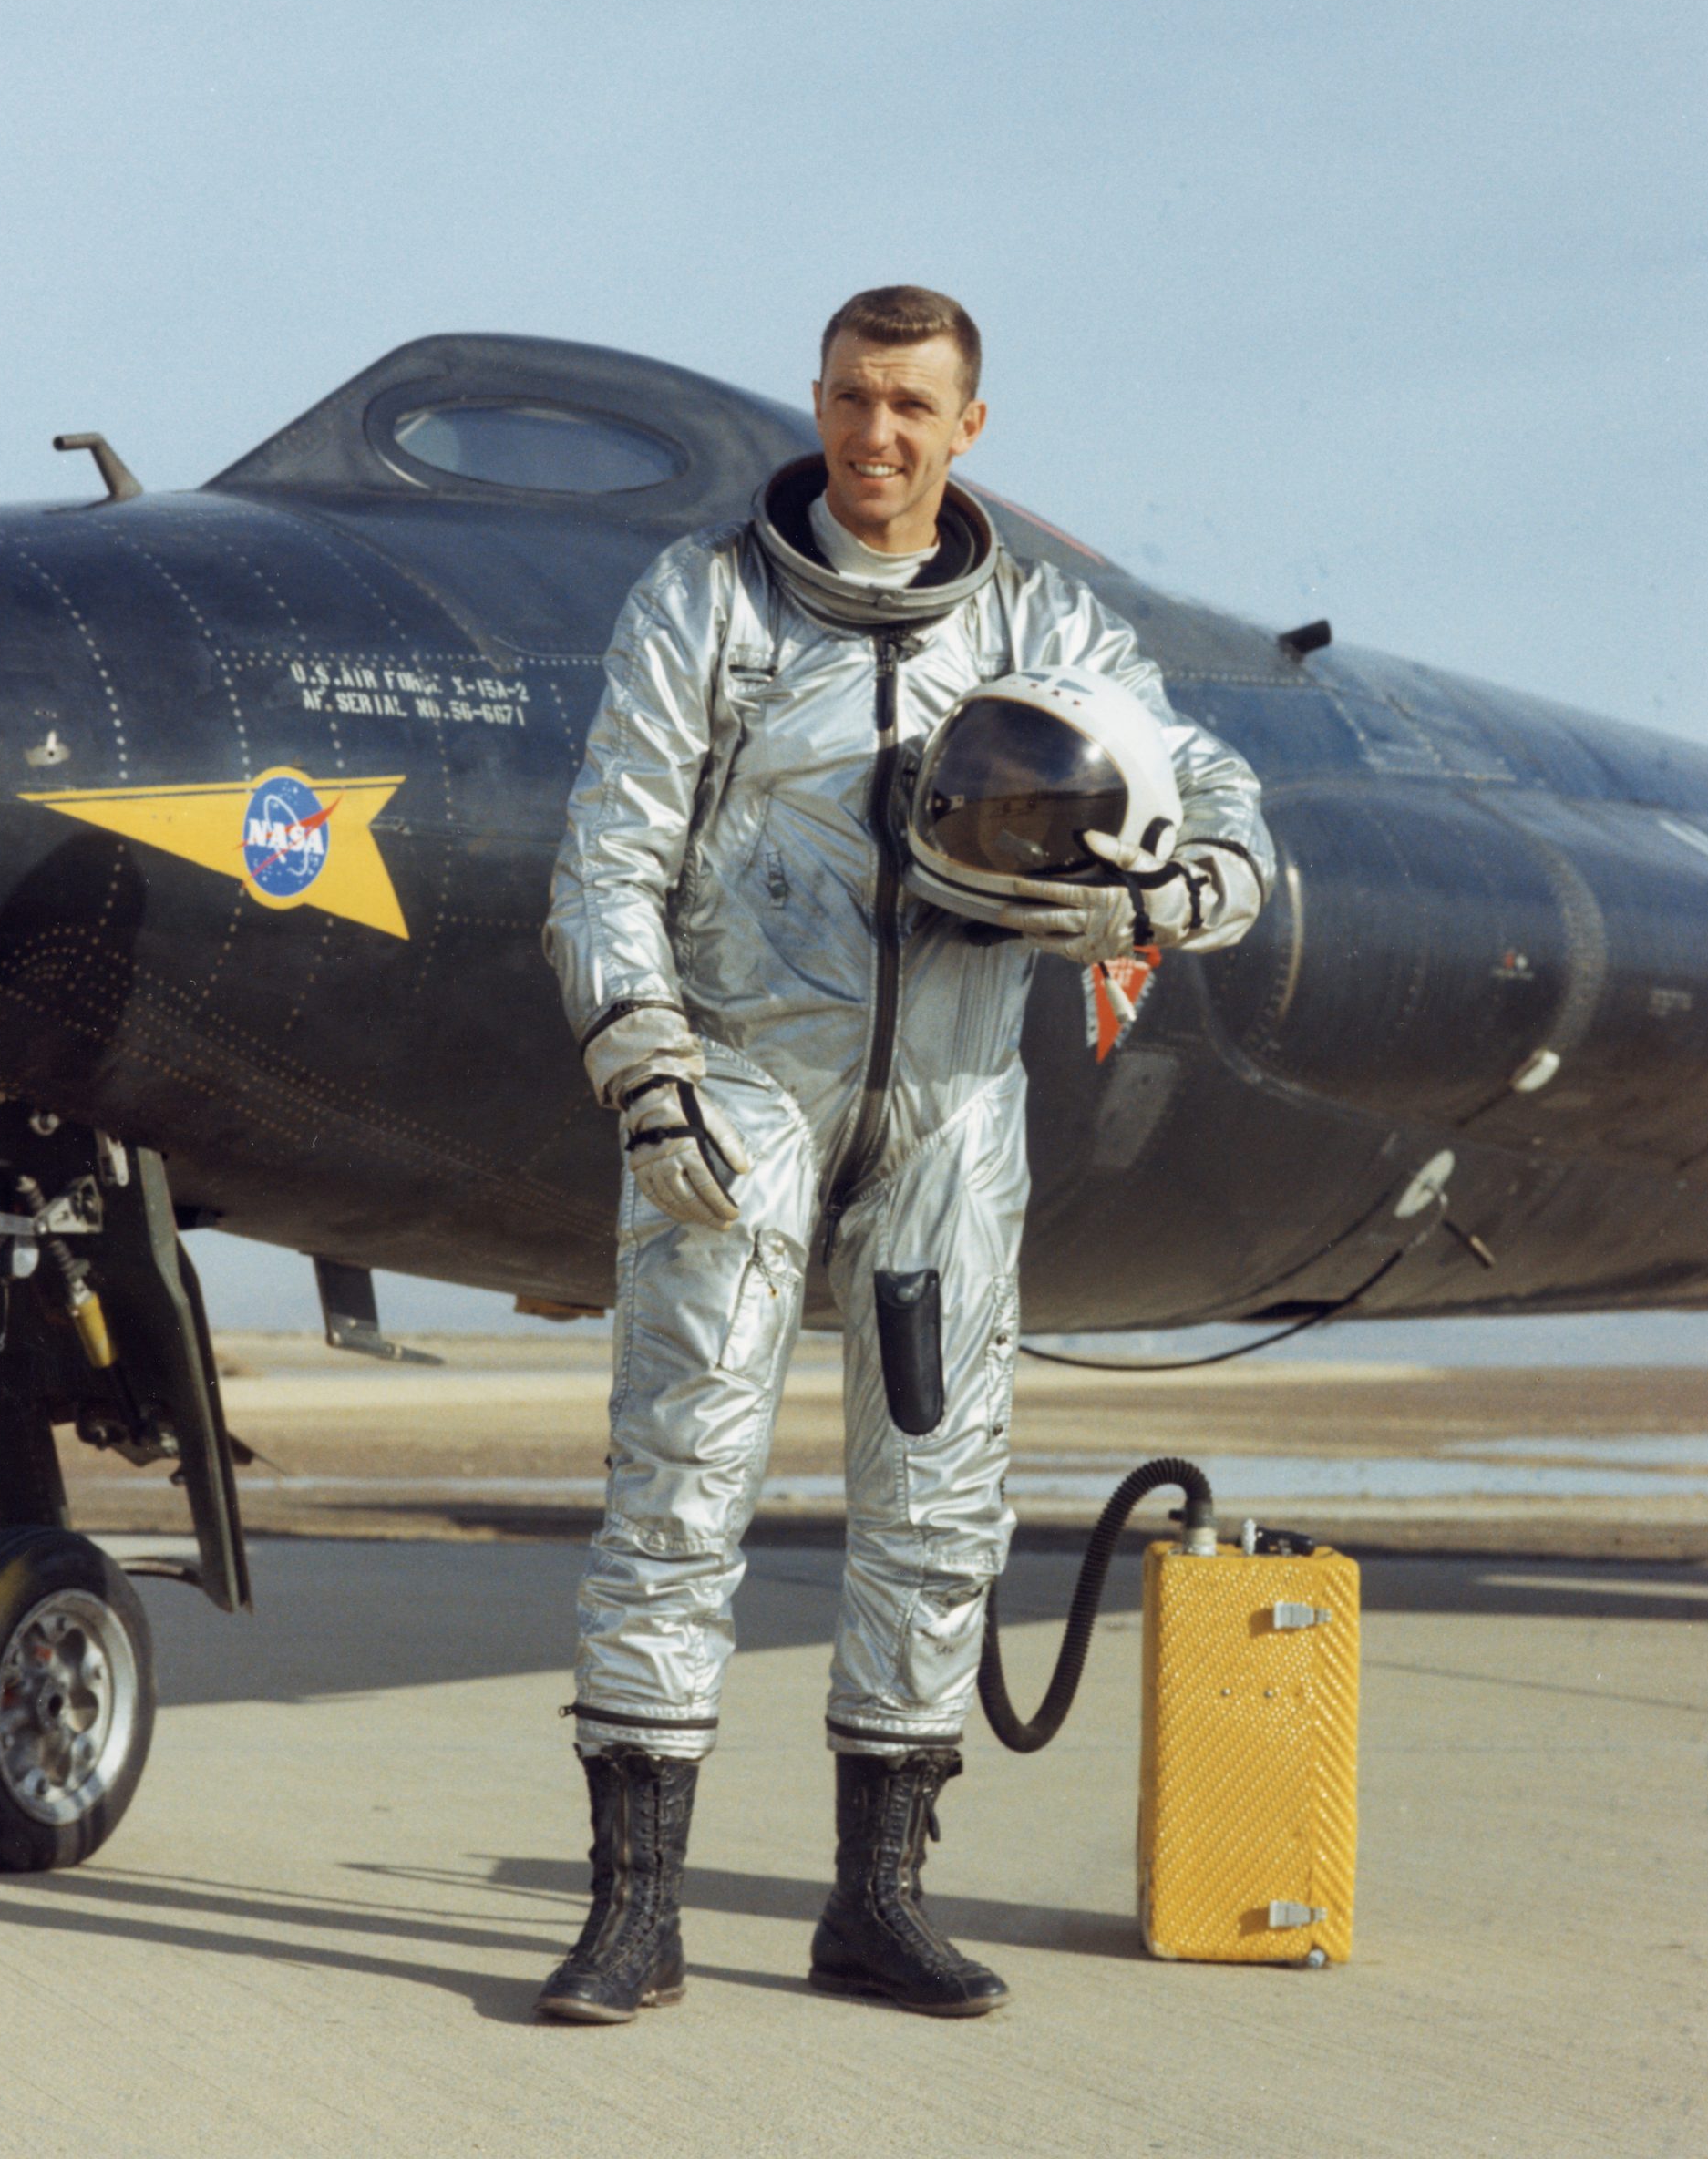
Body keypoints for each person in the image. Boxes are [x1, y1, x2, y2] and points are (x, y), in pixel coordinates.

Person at [538, 285, 1273, 2023]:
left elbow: (1223, 797)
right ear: (817, 400)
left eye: (912, 409)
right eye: (854, 401)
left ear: (968, 429)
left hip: (948, 1111)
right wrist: (649, 1068)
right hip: (741, 1097)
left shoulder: (1039, 619)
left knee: (938, 1514)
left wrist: (1178, 894)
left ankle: (878, 1904)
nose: (877, 438)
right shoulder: (708, 604)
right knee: (680, 1491)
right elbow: (606, 860)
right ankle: (633, 1914)